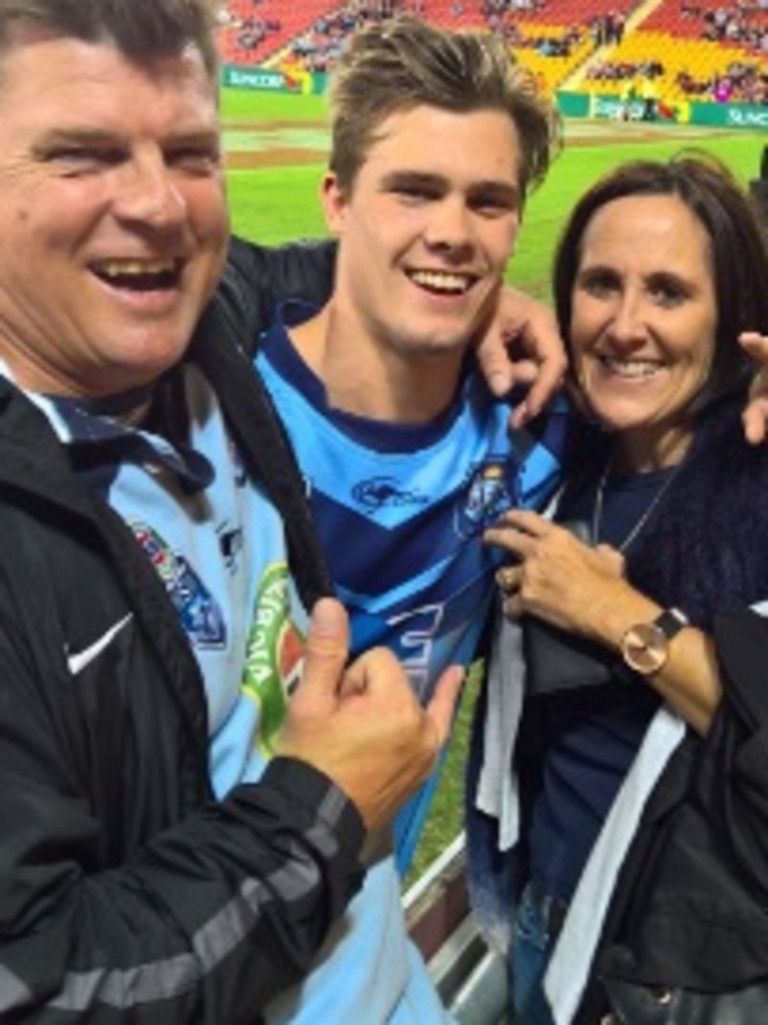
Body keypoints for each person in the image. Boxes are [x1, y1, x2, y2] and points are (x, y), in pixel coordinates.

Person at [0, 1, 470, 1019]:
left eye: (191, 153)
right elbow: (35, 985)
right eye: (82, 156)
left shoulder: (203, 317)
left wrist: (492, 307)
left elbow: (309, 269)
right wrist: (323, 811)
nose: (162, 207)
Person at [253, 18, 566, 1024]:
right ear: (337, 199)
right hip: (177, 947)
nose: (454, 230)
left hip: (368, 958)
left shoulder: (539, 421)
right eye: (415, 189)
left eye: (488, 200)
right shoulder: (216, 402)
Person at [474, 153, 768, 1025]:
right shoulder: (558, 448)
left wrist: (617, 615)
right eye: (601, 284)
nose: (626, 325)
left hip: (679, 965)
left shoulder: (756, 468)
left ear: (732, 318)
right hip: (542, 915)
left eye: (670, 293)